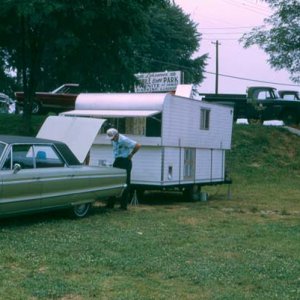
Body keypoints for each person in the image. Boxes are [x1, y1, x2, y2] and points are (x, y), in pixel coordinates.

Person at [106, 128, 141, 210]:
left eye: (113, 138)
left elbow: (138, 145)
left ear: (117, 135)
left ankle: (123, 206)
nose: (112, 140)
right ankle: (110, 204)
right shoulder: (114, 141)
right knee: (113, 182)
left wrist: (131, 154)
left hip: (125, 161)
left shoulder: (124, 140)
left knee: (125, 183)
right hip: (117, 160)